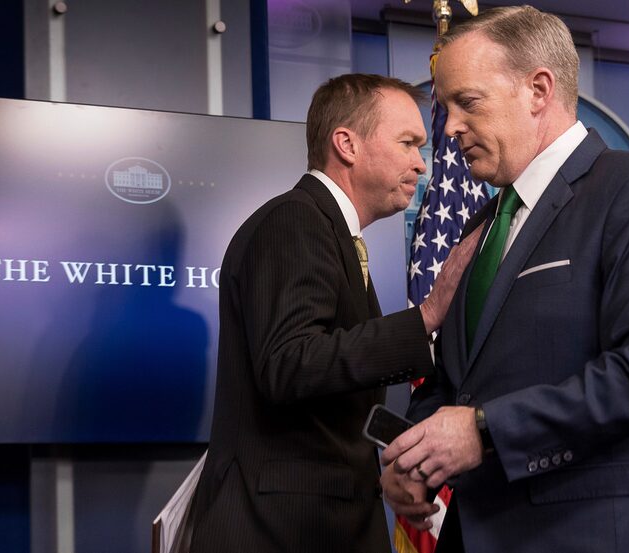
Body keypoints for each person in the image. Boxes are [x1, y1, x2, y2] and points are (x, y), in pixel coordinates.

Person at [380, 6, 629, 553]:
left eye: (466, 102)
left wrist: (486, 428)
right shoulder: (484, 225)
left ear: (539, 90)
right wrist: (413, 455)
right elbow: (454, 383)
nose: (449, 127)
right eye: (445, 107)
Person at [185, 74, 481, 553]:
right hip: (283, 531)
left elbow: (338, 395)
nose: (420, 166)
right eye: (407, 143)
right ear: (346, 144)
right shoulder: (294, 222)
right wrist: (426, 315)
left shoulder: (333, 234)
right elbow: (290, 363)